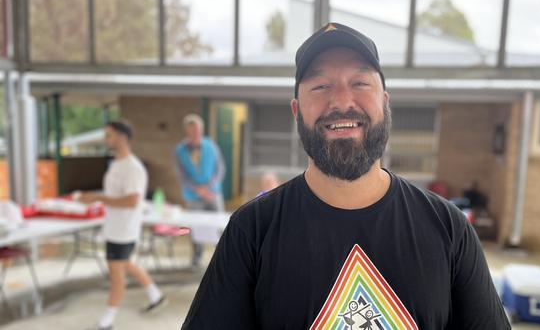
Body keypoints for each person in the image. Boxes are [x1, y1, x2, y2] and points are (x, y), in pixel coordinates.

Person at [182, 23, 510, 329]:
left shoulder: (449, 229)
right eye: (321, 85)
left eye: (360, 82)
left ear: (384, 102)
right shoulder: (251, 231)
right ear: (297, 110)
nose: (341, 100)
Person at [77, 121, 166, 330]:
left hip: (123, 230)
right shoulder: (116, 163)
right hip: (115, 227)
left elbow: (132, 201)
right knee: (125, 264)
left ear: (122, 137)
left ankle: (106, 322)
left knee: (117, 275)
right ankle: (156, 295)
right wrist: (97, 198)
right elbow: (116, 195)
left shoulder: (133, 168)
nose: (105, 139)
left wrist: (97, 198)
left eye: (109, 135)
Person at [175, 114, 226, 268]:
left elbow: (220, 169)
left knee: (219, 226)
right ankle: (197, 257)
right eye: (192, 131)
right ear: (187, 132)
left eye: (198, 131)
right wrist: (198, 190)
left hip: (213, 193)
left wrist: (208, 187)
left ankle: (223, 257)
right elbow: (182, 176)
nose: (196, 134)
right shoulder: (179, 151)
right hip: (193, 195)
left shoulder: (211, 145)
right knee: (195, 228)